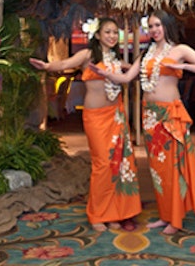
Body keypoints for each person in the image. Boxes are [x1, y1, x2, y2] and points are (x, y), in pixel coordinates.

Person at [90, 9, 195, 235]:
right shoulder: (146, 54)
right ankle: (166, 215)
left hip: (170, 115)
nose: (154, 30)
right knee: (157, 172)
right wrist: (105, 73)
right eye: (151, 26)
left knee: (172, 169)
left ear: (167, 25)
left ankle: (176, 220)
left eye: (158, 25)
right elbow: (127, 78)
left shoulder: (179, 50)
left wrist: (184, 67)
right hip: (149, 116)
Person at [29, 17, 142, 232]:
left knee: (119, 164)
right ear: (97, 35)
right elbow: (64, 64)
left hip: (116, 115)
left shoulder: (115, 59)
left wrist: (148, 56)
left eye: (114, 33)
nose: (111, 36)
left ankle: (115, 213)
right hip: (96, 117)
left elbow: (135, 70)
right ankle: (98, 214)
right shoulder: (88, 55)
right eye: (107, 32)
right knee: (101, 165)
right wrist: (46, 66)